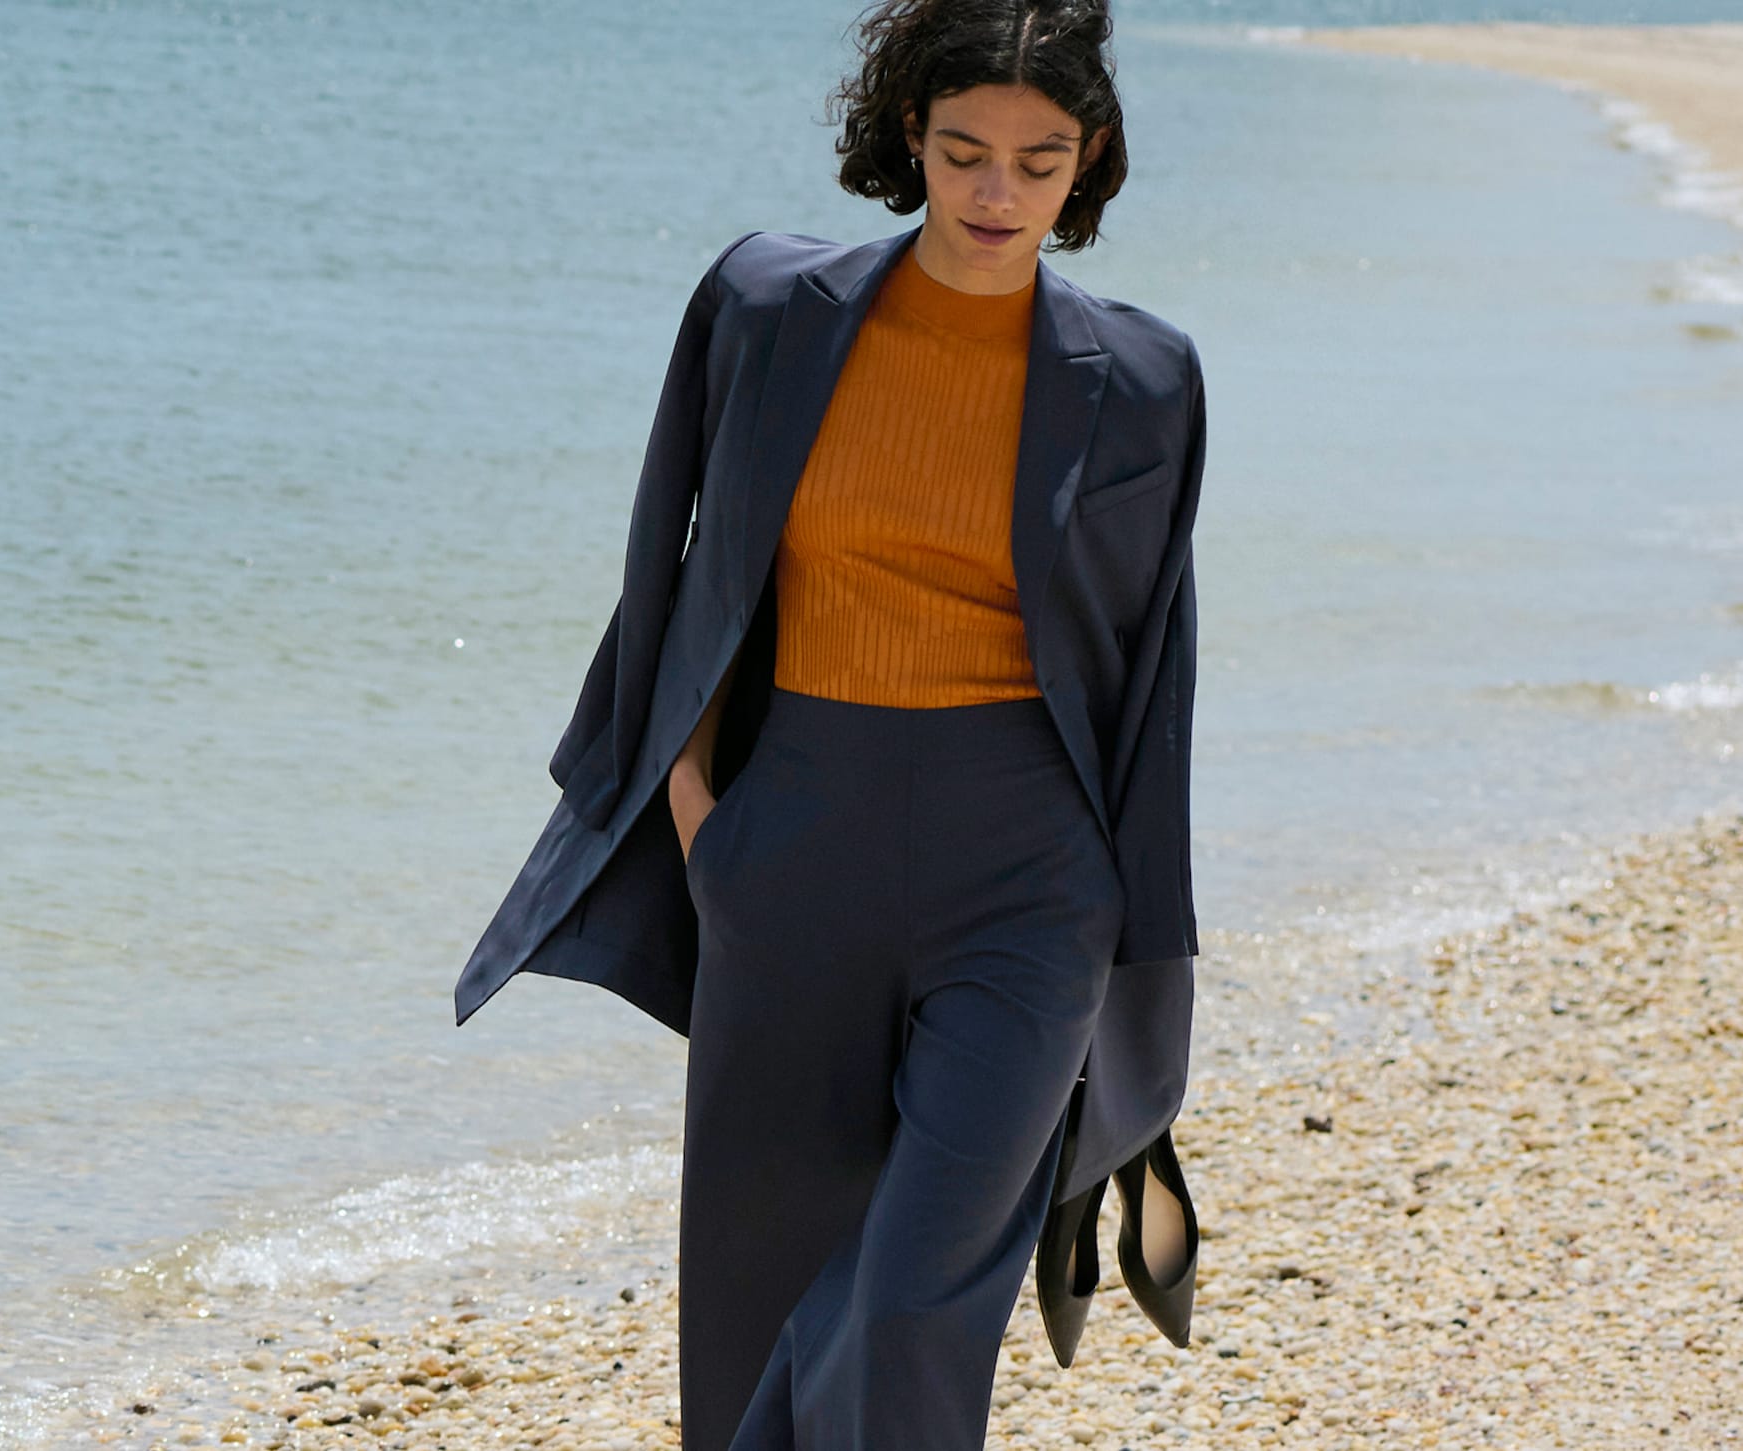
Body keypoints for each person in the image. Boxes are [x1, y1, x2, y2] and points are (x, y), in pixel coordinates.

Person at [441, 1, 1206, 1445]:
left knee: (919, 1295)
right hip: (791, 842)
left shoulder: (1149, 380)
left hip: (1030, 871)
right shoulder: (768, 309)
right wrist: (700, 821)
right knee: (758, 1295)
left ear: (1087, 163)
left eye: (1039, 163)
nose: (996, 195)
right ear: (908, 137)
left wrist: (1144, 951)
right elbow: (678, 582)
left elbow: (1153, 686)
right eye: (964, 151)